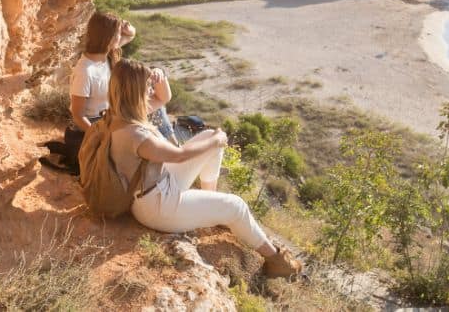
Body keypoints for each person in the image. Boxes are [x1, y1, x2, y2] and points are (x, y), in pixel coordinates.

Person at [107, 59, 302, 278]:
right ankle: (277, 261)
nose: (151, 91)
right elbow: (179, 156)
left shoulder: (119, 114)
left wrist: (159, 75)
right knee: (236, 205)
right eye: (147, 87)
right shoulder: (136, 134)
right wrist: (218, 140)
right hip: (157, 208)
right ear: (134, 91)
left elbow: (163, 98)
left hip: (153, 188)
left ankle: (212, 206)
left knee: (207, 135)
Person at [45, 11, 135, 171]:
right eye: (117, 33)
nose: (120, 37)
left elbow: (130, 35)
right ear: (107, 38)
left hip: (106, 120)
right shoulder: (85, 71)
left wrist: (127, 28)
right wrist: (101, 135)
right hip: (88, 127)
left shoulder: (106, 55)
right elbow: (78, 115)